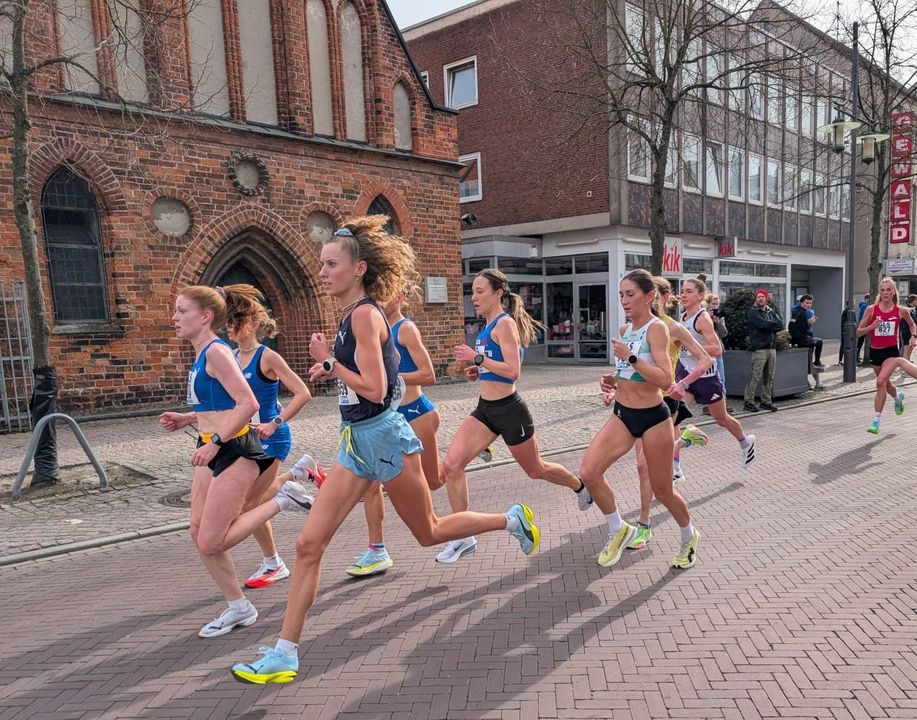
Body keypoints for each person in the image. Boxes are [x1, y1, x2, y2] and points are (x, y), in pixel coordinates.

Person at [230, 217, 539, 685]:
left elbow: (376, 388)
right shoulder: (350, 315)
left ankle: (510, 519)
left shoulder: (364, 315)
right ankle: (285, 652)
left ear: (359, 268)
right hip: (356, 442)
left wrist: (330, 364)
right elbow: (368, 383)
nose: (322, 271)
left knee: (429, 532)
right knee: (308, 544)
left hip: (385, 438)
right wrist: (330, 368)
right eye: (321, 264)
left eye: (331, 264)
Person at [160, 286, 316, 638]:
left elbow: (248, 404)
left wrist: (214, 442)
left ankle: (283, 498)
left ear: (205, 316)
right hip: (210, 445)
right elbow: (219, 405)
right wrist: (189, 419)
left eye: (181, 311)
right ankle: (238, 607)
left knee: (213, 540)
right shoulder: (204, 354)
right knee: (198, 533)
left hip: (234, 450)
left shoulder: (216, 352)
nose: (174, 317)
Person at [434, 268, 590, 565]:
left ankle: (581, 487)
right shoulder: (486, 326)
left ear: (498, 294)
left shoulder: (504, 324)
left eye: (480, 291)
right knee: (452, 466)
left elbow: (513, 371)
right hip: (485, 411)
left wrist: (478, 358)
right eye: (473, 291)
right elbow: (494, 368)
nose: (474, 297)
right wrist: (476, 371)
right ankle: (464, 536)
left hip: (510, 410)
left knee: (536, 469)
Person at [580, 269, 699, 570]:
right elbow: (626, 374)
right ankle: (618, 528)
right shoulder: (625, 331)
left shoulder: (656, 329)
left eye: (630, 294)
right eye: (621, 295)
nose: (624, 300)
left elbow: (665, 379)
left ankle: (688, 536)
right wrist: (611, 382)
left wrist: (631, 359)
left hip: (652, 417)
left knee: (663, 490)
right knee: (589, 473)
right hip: (622, 414)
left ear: (649, 297)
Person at [346, 290, 445, 577]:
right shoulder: (375, 331)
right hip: (387, 419)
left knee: (435, 481)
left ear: (399, 297)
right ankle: (376, 549)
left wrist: (390, 378)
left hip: (416, 414)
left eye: (385, 297)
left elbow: (429, 374)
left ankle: (464, 456)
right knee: (371, 484)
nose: (380, 303)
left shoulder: (406, 329)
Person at [627, 276, 713, 550]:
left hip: (665, 403)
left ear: (660, 298)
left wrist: (682, 384)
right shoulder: (633, 328)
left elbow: (707, 357)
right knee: (646, 465)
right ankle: (685, 439)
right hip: (637, 402)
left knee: (645, 466)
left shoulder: (673, 327)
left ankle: (643, 525)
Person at [678, 278, 756, 467]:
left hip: (707, 377)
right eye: (682, 290)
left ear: (700, 296)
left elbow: (717, 348)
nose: (683, 295)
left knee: (721, 419)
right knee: (674, 415)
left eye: (689, 291)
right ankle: (675, 465)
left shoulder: (702, 319)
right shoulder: (682, 318)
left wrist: (689, 348)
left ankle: (746, 443)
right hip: (686, 375)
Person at [857, 278, 916, 434]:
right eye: (882, 290)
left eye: (888, 290)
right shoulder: (871, 309)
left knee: (880, 381)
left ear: (893, 292)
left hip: (890, 351)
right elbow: (858, 331)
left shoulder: (900, 310)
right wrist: (872, 326)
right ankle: (898, 398)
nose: (885, 293)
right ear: (879, 292)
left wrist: (913, 336)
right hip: (875, 352)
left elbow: (911, 324)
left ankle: (876, 421)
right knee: (886, 385)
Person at [743, 288, 782, 413]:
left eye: (762, 297)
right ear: (756, 299)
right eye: (758, 297)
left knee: (769, 376)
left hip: (771, 348)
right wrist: (771, 324)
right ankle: (748, 401)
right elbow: (762, 324)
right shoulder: (753, 312)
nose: (760, 299)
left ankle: (766, 401)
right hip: (759, 348)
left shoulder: (771, 311)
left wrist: (769, 324)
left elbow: (780, 325)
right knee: (756, 375)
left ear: (766, 298)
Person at [789, 294, 825, 391]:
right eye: (806, 303)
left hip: (799, 339)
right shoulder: (803, 313)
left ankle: (811, 381)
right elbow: (803, 327)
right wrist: (810, 322)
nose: (808, 305)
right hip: (804, 338)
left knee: (806, 360)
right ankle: (814, 378)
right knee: (810, 357)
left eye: (810, 303)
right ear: (801, 302)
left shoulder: (795, 311)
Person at [707, 292, 727, 386]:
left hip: (718, 350)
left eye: (717, 304)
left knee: (721, 379)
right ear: (708, 304)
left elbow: (724, 333)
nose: (715, 306)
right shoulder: (703, 316)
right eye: (713, 304)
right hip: (706, 351)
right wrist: (708, 318)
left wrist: (718, 323)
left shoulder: (719, 316)